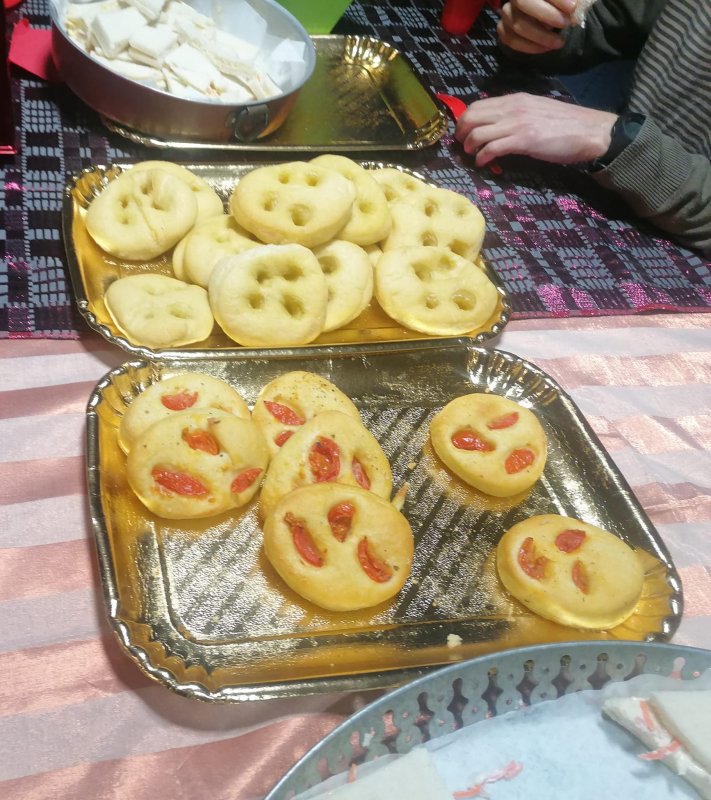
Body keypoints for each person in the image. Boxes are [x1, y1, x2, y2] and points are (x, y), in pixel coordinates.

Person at [454, 0, 711, 256]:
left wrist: (613, 138)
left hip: (680, 251)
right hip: (610, 177)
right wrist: (540, 27)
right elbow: (597, 23)